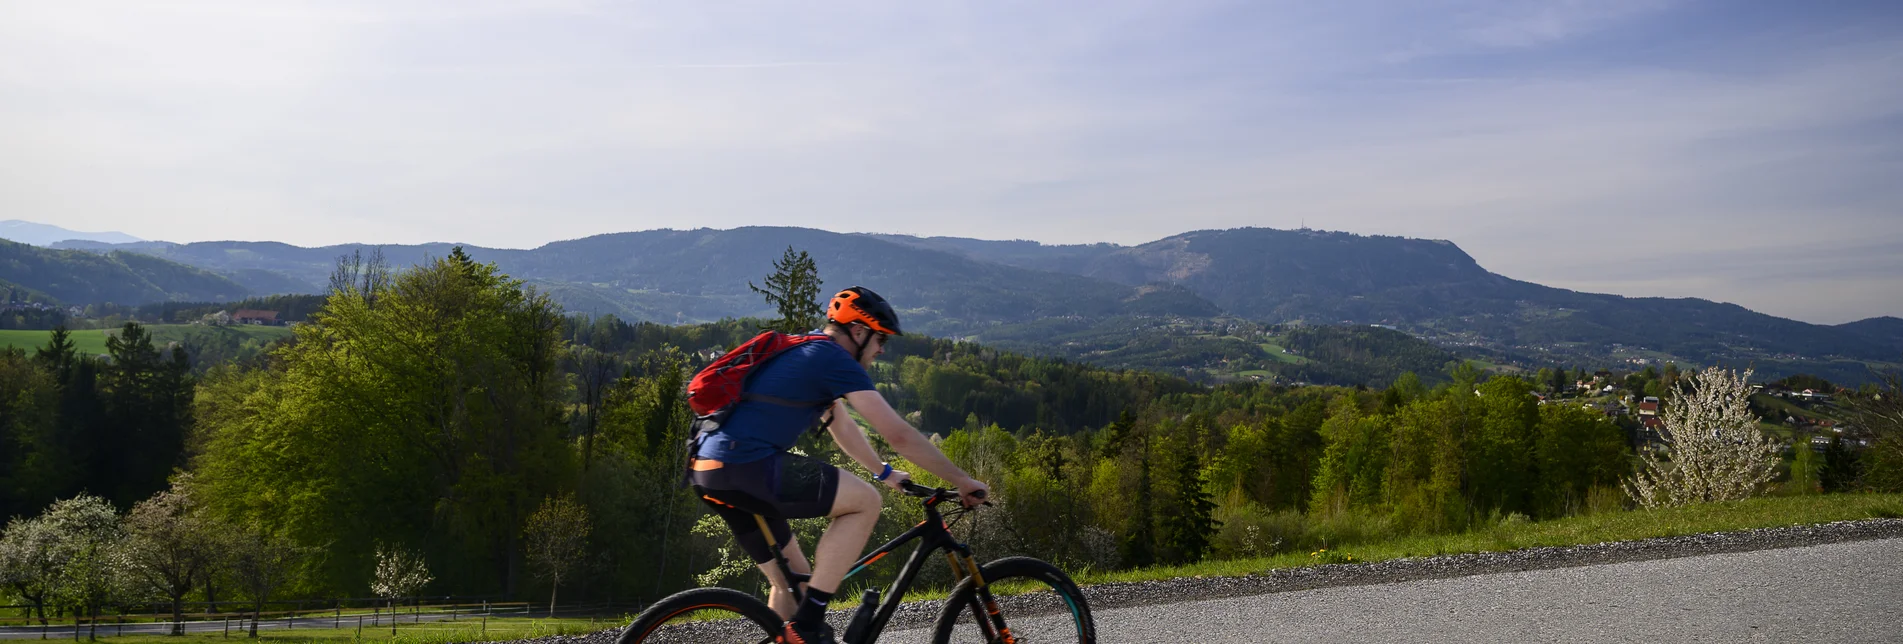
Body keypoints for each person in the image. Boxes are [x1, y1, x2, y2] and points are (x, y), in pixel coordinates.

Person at [687, 286, 991, 644]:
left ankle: (795, 629)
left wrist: (886, 473)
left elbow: (841, 425)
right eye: (881, 339)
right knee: (865, 502)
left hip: (708, 469)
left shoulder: (807, 348)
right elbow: (900, 435)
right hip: (746, 465)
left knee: (793, 585)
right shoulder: (834, 360)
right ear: (859, 331)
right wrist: (961, 479)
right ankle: (808, 626)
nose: (881, 350)